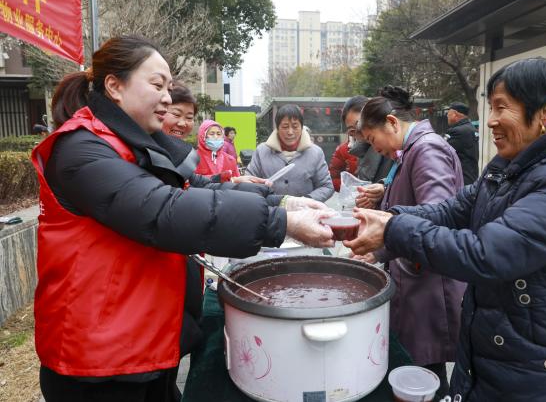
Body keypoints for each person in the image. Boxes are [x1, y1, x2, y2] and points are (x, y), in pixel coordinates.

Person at [31, 36, 335, 402]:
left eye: (169, 88)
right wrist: (281, 223)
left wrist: (284, 202)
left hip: (142, 341)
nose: (166, 98)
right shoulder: (81, 149)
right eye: (156, 85)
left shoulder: (134, 144)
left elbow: (199, 189)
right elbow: (164, 211)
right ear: (114, 86)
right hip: (97, 362)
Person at [345, 58, 546, 401]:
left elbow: (488, 253)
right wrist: (389, 218)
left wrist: (393, 230)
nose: (490, 121)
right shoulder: (507, 166)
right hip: (494, 351)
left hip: (539, 370)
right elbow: (451, 209)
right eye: (490, 107)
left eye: (501, 107)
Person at [355, 86, 465, 400]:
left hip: (428, 287)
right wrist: (382, 191)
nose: (376, 149)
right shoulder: (412, 149)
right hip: (416, 279)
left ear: (392, 122)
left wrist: (380, 247)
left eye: (374, 140)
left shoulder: (426, 149)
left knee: (426, 378)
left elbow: (436, 215)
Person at [247, 104, 334, 202]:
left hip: (305, 213)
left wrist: (307, 200)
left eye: (295, 126)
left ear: (301, 127)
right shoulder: (262, 151)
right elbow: (248, 183)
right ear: (277, 128)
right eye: (285, 127)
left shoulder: (315, 153)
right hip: (269, 213)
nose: (290, 132)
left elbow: (326, 186)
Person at [343, 96, 394, 185]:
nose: (361, 133)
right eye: (352, 131)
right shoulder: (360, 150)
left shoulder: (395, 146)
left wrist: (383, 189)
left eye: (360, 125)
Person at [328, 98, 360, 191]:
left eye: (360, 125)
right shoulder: (343, 150)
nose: (359, 133)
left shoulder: (383, 146)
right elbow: (332, 179)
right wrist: (350, 187)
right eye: (352, 130)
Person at [445, 101, 479, 185]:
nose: (447, 116)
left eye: (448, 113)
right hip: (471, 175)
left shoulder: (457, 131)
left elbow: (442, 151)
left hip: (461, 179)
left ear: (455, 114)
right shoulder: (471, 128)